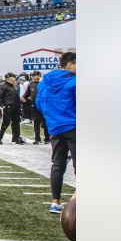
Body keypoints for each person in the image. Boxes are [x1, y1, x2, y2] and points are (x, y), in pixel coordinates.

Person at [36, 53, 76, 214]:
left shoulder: (44, 82)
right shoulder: (74, 80)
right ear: (70, 64)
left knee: (58, 164)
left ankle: (55, 202)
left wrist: (53, 117)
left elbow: (39, 104)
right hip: (73, 125)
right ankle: (75, 202)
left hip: (54, 127)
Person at [0, 73, 26, 144]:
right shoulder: (3, 86)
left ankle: (15, 138)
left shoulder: (13, 86)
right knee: (5, 123)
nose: (15, 78)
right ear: (8, 78)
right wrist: (2, 106)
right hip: (7, 107)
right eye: (13, 77)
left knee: (16, 123)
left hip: (15, 107)